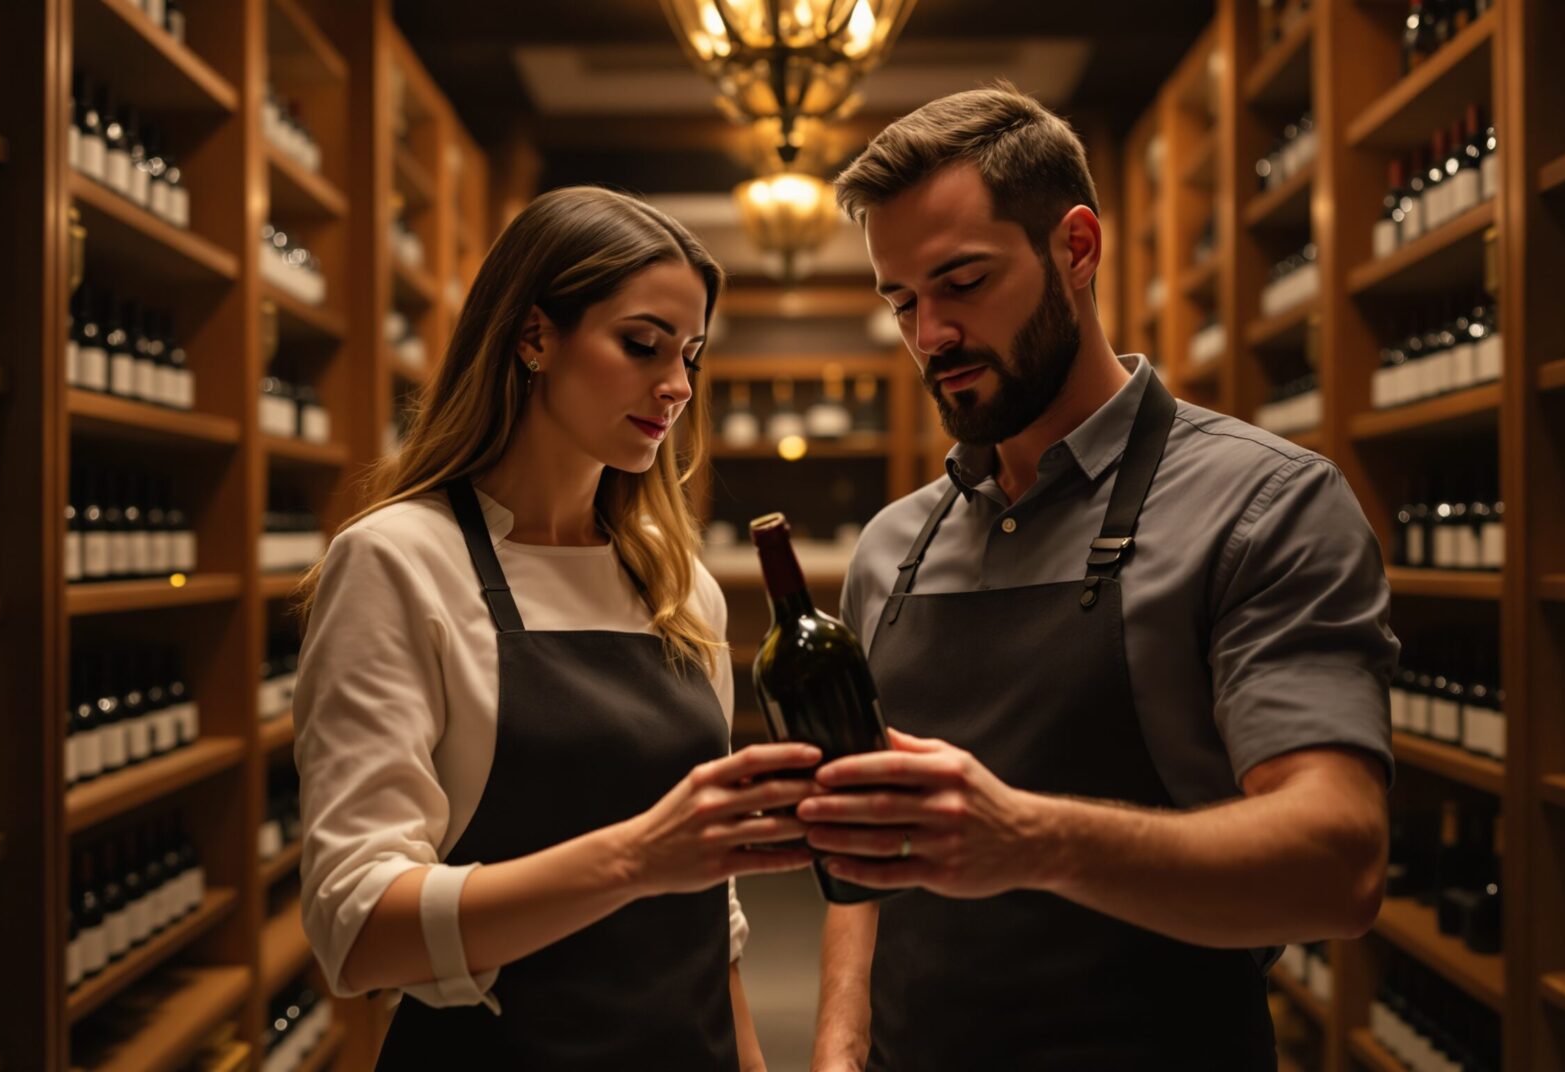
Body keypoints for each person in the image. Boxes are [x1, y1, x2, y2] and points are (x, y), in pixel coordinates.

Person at [800, 84, 1400, 1071]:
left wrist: (1030, 837)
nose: (930, 334)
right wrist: (835, 1044)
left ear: (1076, 249)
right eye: (902, 300)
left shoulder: (1264, 505)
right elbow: (868, 854)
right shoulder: (890, 548)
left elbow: (1340, 860)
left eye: (961, 281)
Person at [292, 185, 818, 1070]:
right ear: (534, 336)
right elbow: (357, 930)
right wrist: (638, 858)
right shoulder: (396, 561)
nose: (677, 387)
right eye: (642, 345)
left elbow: (709, 911)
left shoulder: (679, 581)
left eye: (690, 355)